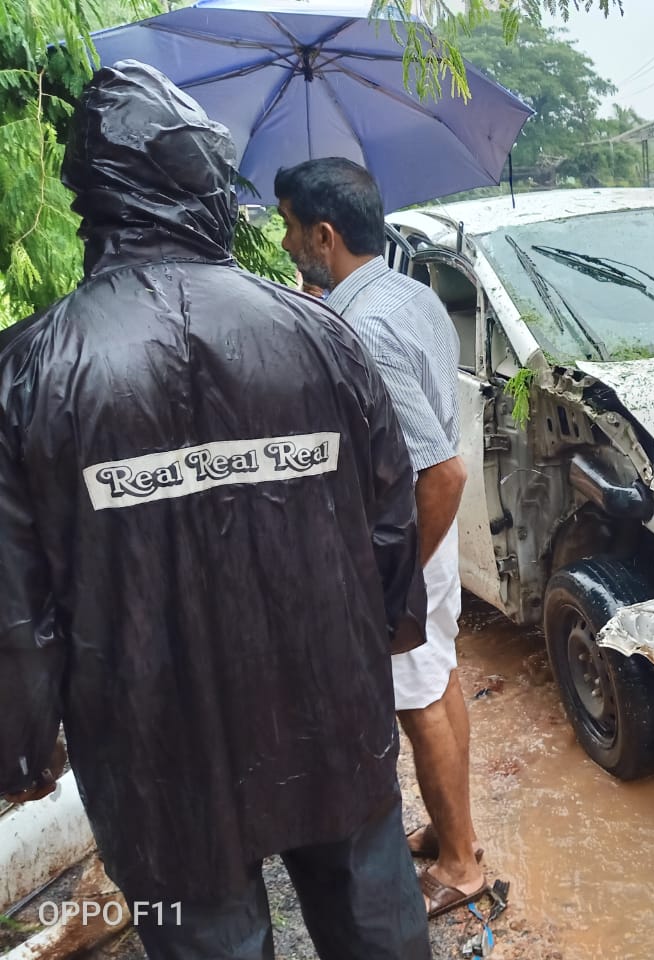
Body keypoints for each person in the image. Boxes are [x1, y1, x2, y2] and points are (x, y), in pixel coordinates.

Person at [0, 62, 431, 960]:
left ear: (94, 192)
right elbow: (389, 518)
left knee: (209, 938)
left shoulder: (30, 372)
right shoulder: (321, 336)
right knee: (373, 918)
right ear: (202, 184)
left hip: (159, 740)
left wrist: (22, 748)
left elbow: (17, 605)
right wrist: (391, 631)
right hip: (332, 701)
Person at [273, 158, 483, 919]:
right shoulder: (407, 293)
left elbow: (443, 473)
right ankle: (454, 829)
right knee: (439, 682)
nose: (287, 236)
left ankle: (462, 864)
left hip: (402, 546)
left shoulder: (367, 327)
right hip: (423, 545)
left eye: (292, 224)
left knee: (417, 701)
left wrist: (385, 581)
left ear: (323, 235)